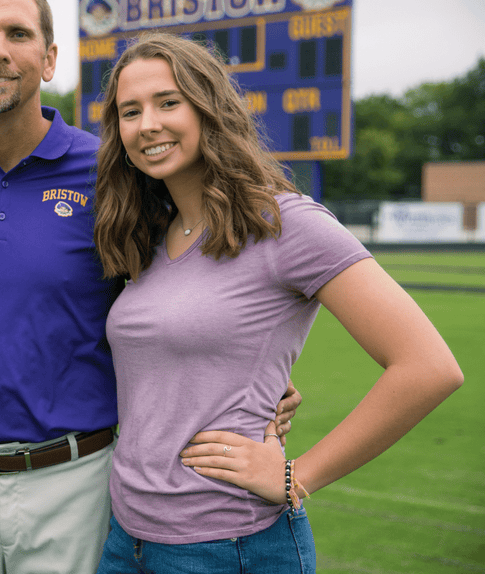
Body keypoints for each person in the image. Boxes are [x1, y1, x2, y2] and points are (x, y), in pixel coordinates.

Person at [0, 0, 301, 574]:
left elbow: (202, 277)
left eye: (18, 33)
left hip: (78, 474)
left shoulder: (114, 167)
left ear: (49, 57)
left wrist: (262, 381)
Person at [91, 32, 463, 573]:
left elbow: (429, 367)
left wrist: (296, 475)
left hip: (229, 548)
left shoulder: (287, 224)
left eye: (168, 102)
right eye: (130, 111)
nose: (147, 123)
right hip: (128, 540)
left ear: (208, 108)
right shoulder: (147, 235)